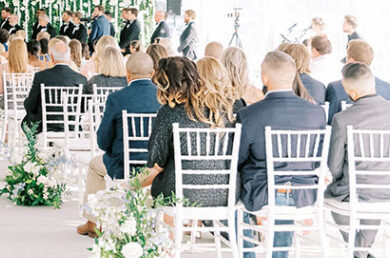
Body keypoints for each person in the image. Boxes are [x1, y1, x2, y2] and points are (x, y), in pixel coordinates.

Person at [234, 50, 327, 258]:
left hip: (261, 193)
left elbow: (239, 158)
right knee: (287, 189)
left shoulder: (250, 113)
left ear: (264, 77)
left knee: (235, 188)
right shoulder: (317, 113)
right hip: (304, 193)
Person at [326, 62, 390, 258]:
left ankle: (357, 252)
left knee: (333, 196)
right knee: (374, 194)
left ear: (351, 92)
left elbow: (334, 165)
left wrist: (340, 179)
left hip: (355, 191)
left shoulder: (343, 119)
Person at [77, 52, 160, 236]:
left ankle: (93, 221)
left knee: (94, 166)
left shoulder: (117, 98)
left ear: (127, 73)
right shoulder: (163, 98)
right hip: (155, 169)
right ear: (153, 73)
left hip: (123, 166)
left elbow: (103, 141)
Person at [144, 56, 234, 207]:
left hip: (181, 194)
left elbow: (156, 166)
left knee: (150, 195)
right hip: (224, 192)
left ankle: (173, 230)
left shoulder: (169, 113)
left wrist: (128, 186)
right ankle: (191, 228)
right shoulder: (221, 110)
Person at [22, 39, 86, 132]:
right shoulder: (81, 79)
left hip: (44, 126)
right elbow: (82, 108)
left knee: (26, 122)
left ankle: (35, 145)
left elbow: (31, 105)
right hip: (71, 127)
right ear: (69, 57)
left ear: (51, 57)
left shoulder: (41, 76)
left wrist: (26, 103)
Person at [326, 40, 390, 123]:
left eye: (346, 58)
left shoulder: (335, 87)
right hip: (385, 135)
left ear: (351, 61)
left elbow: (329, 123)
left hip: (349, 134)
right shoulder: (389, 88)